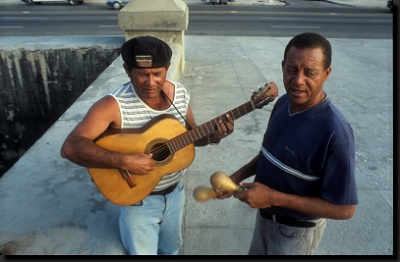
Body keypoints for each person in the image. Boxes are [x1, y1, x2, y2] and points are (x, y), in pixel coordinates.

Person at [60, 35, 234, 255]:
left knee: (171, 249)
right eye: (142, 74)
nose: (150, 83)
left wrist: (213, 136)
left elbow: (192, 136)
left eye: (157, 74)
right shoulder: (112, 105)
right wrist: (124, 160)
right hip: (138, 203)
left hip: (175, 194)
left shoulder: (179, 94)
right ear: (127, 70)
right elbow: (70, 147)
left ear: (168, 68)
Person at [216, 32, 358, 255]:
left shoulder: (335, 131)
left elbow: (346, 209)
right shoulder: (283, 103)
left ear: (326, 73)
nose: (298, 80)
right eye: (291, 70)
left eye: (310, 72)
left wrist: (272, 197)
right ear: (283, 66)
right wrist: (236, 177)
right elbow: (269, 155)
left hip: (296, 235)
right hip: (264, 221)